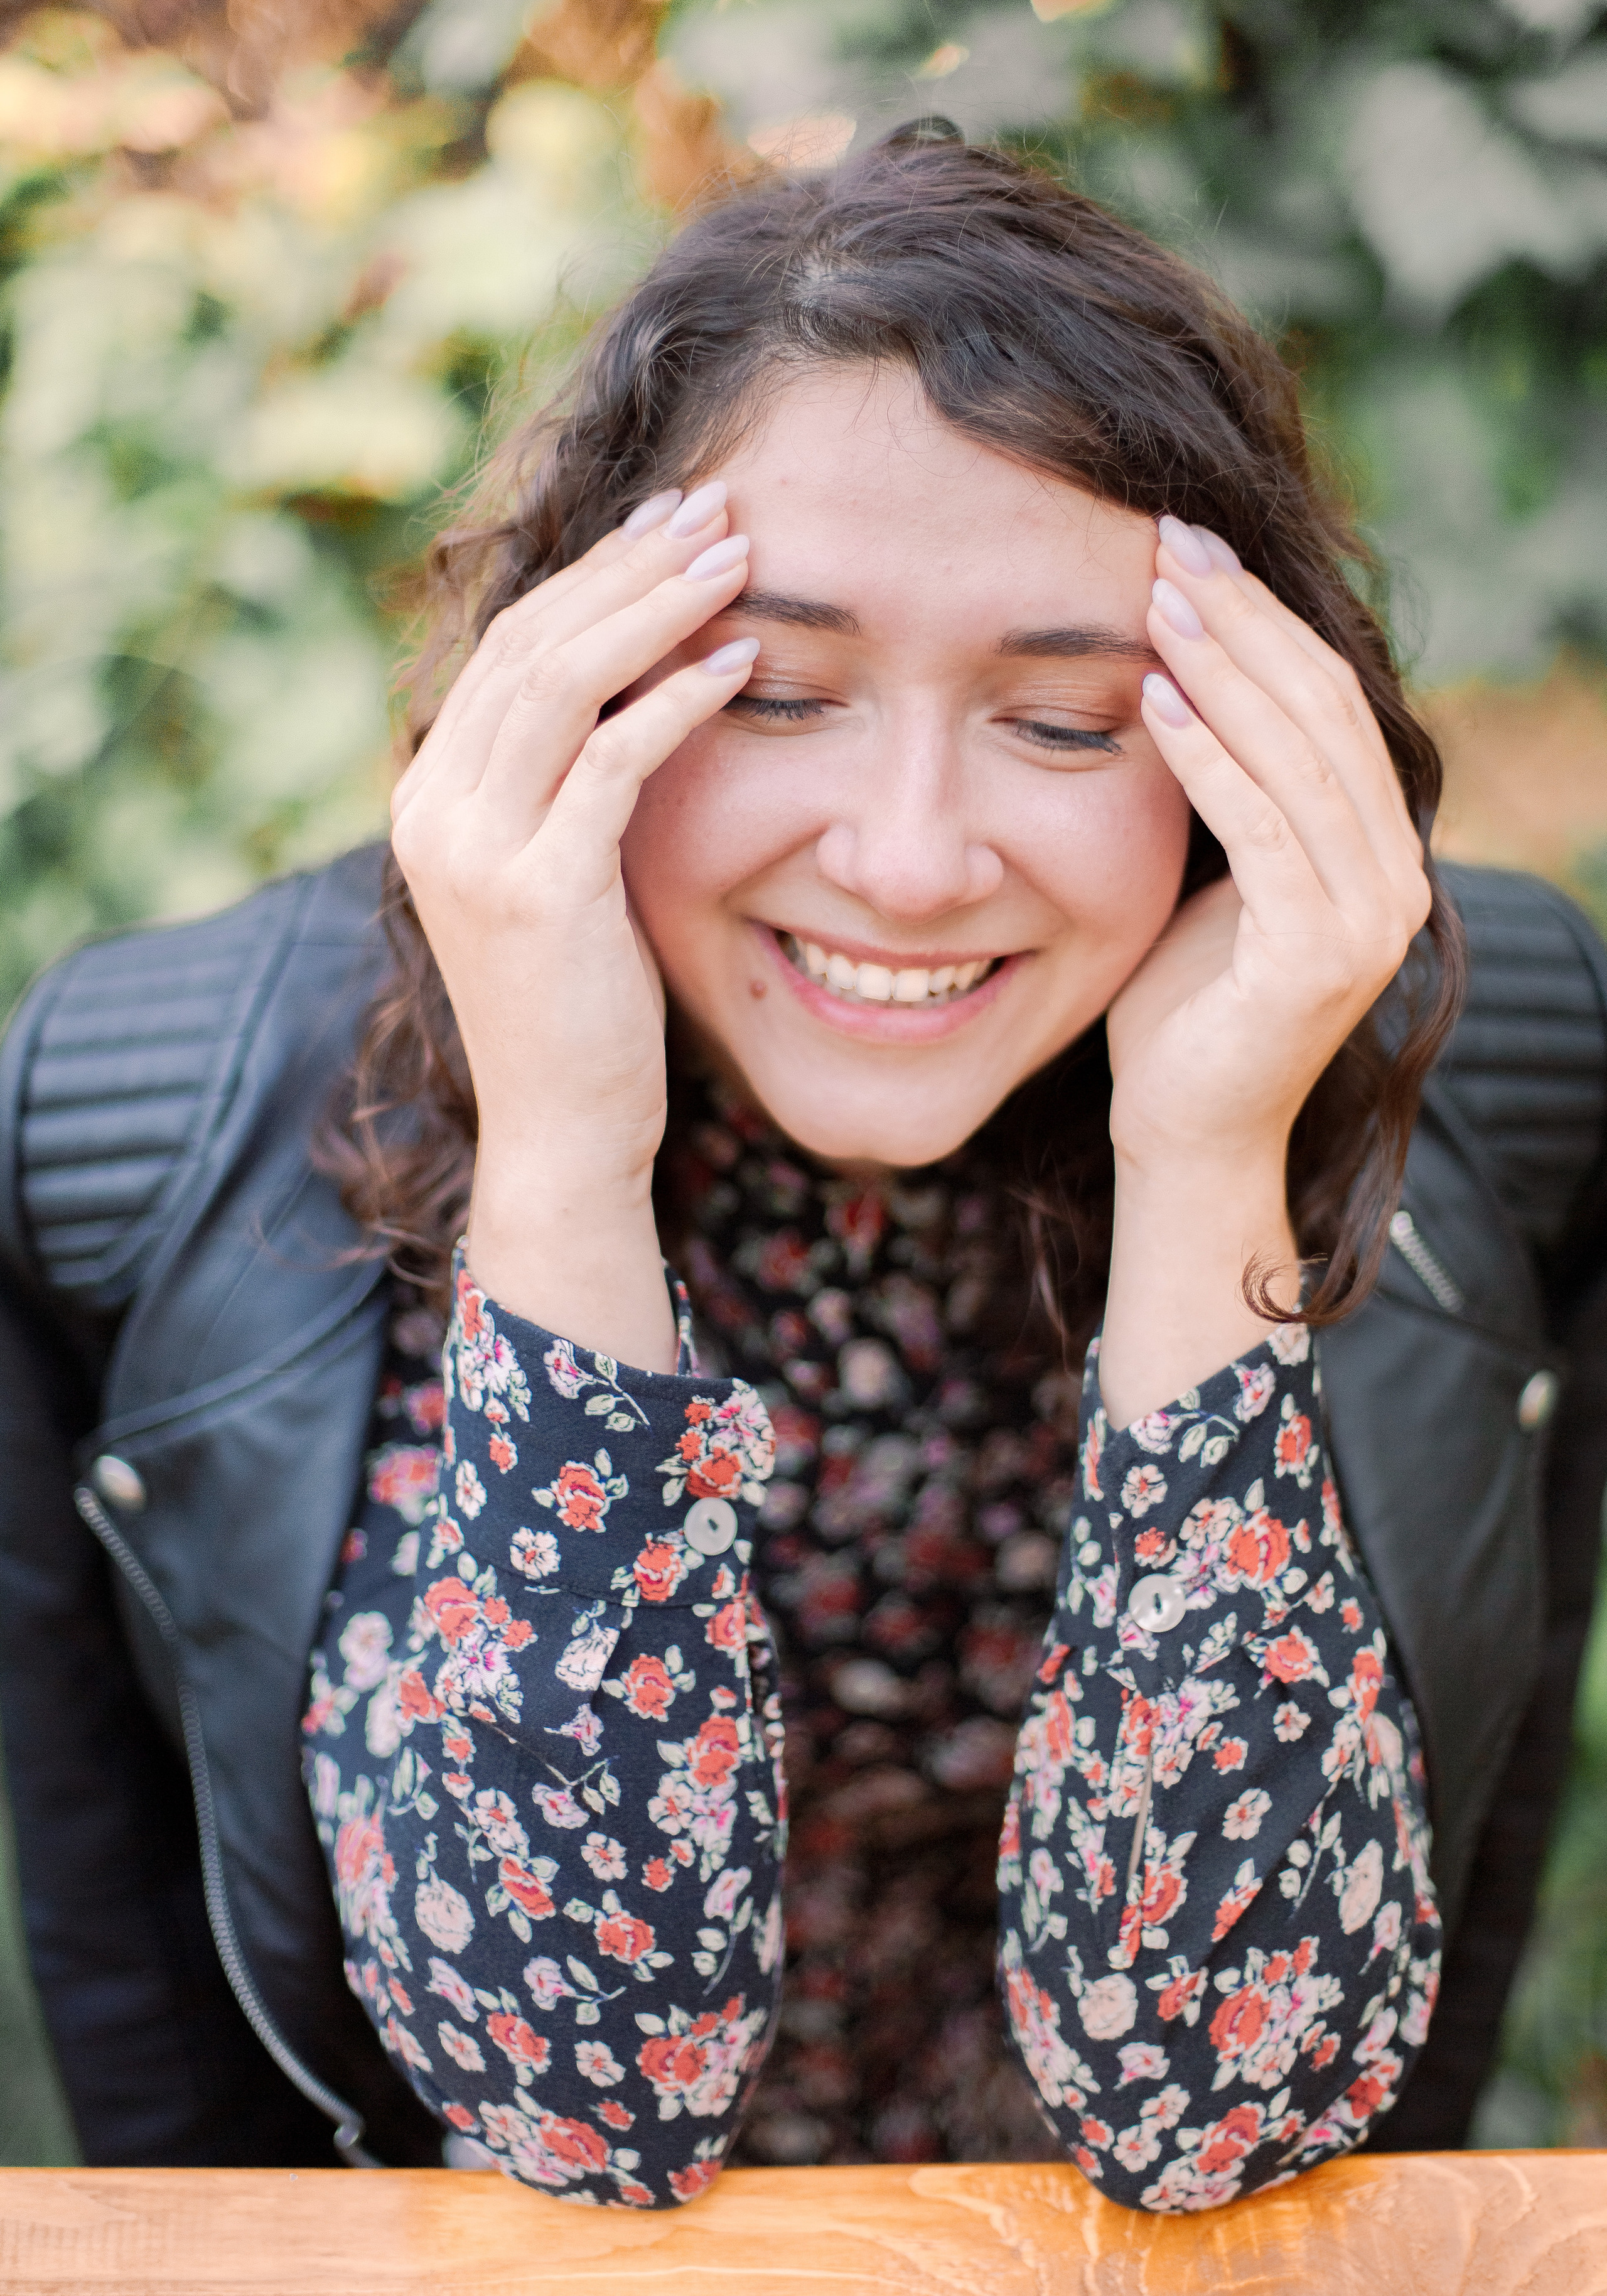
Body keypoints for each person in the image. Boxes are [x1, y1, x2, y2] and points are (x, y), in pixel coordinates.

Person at [1, 128, 1603, 2210]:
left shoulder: (1487, 1073)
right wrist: (564, 1152)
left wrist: (1211, 1152)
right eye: (773, 692)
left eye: (1067, 721)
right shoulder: (160, 1118)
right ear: (573, 681)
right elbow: (552, 2100)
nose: (910, 861)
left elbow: (1233, 2102)